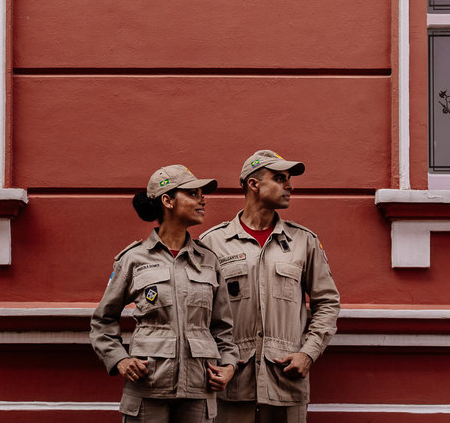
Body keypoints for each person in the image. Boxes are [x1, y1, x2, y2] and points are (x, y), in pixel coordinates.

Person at [199, 150, 340, 423]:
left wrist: (308, 354)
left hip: (285, 381)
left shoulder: (304, 241)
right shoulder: (212, 243)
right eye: (279, 178)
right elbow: (199, 311)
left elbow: (327, 302)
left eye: (289, 179)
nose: (289, 186)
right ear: (254, 184)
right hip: (230, 384)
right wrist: (214, 360)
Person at [91, 164, 240, 422]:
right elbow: (102, 321)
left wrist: (228, 365)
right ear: (167, 200)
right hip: (149, 388)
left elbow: (222, 326)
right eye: (193, 194)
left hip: (199, 389)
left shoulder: (208, 260)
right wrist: (120, 360)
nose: (202, 199)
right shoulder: (134, 259)